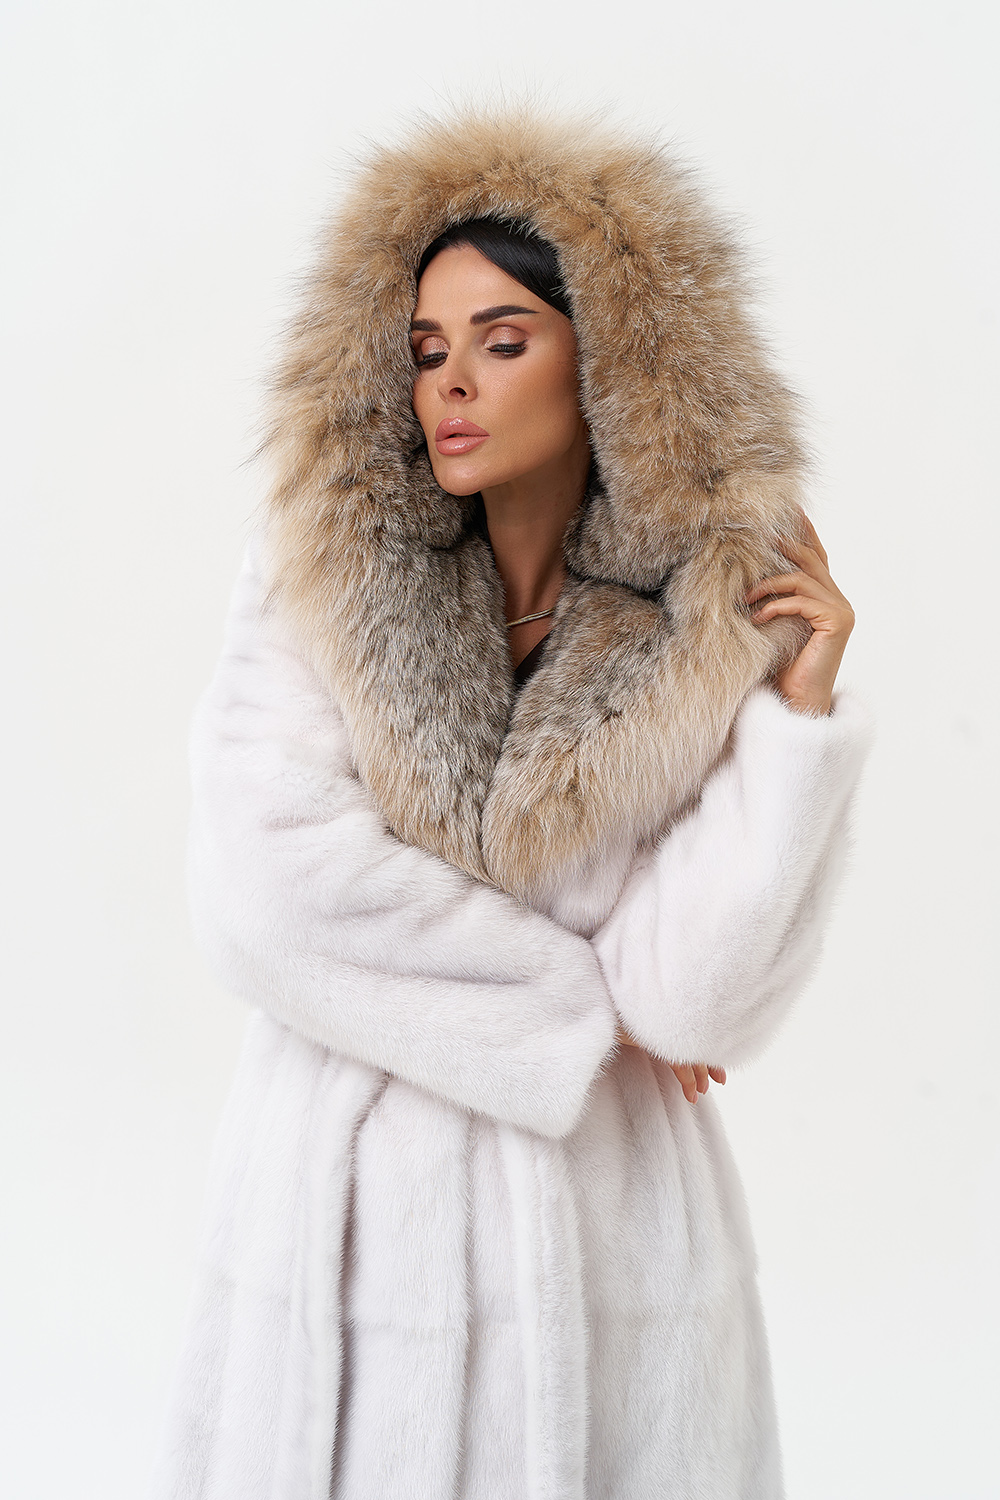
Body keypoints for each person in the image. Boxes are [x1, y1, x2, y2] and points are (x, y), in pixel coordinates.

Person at [151, 110, 870, 1500]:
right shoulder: (321, 584)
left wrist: (794, 712)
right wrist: (585, 1013)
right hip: (343, 1245)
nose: (453, 385)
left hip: (611, 1254)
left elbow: (696, 1001)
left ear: (610, 361)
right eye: (428, 351)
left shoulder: (694, 638)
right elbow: (264, 894)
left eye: (502, 339)